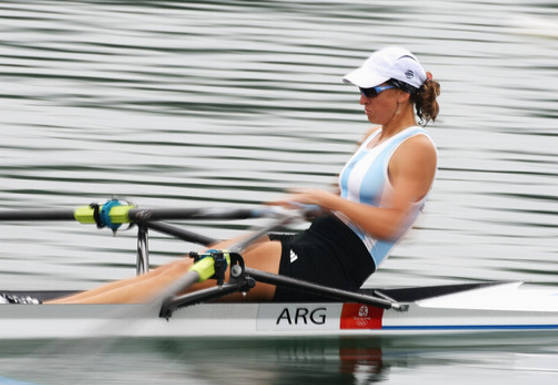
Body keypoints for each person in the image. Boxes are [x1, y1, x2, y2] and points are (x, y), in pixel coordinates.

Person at [46, 46, 440, 304]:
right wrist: (306, 208)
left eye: (369, 91)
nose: (361, 99)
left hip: (334, 267)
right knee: (187, 265)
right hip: (315, 241)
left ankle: (52, 314)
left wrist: (326, 200)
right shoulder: (374, 136)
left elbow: (390, 225)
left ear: (401, 93)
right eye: (361, 90)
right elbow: (352, 207)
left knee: (195, 275)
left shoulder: (417, 148)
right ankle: (61, 306)